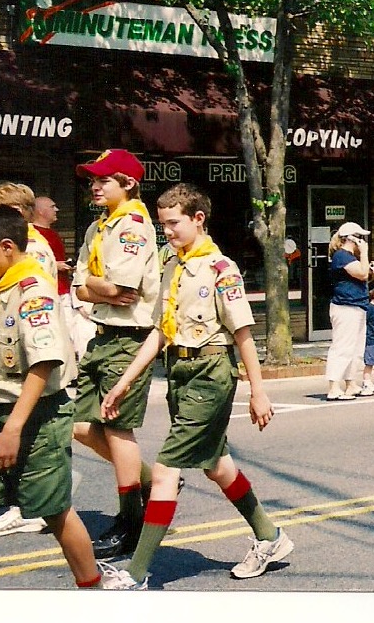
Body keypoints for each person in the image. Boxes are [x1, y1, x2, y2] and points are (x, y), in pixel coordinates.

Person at [96, 183, 291, 588]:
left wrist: (258, 390)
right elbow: (159, 331)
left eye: (173, 223)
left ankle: (136, 574)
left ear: (197, 219)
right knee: (217, 465)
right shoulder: (172, 264)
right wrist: (124, 383)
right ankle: (270, 537)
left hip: (211, 374)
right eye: (162, 223)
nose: (166, 231)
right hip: (180, 375)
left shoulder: (222, 269)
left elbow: (243, 335)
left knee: (166, 469)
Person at [0, 205, 121, 588]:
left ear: (7, 246)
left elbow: (43, 364)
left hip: (35, 417)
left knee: (54, 510)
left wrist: (13, 429)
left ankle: (92, 585)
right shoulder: (3, 290)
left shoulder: (33, 293)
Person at [71, 149, 162, 559]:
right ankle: (153, 481)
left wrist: (95, 288)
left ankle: (130, 520)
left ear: (128, 184)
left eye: (104, 179)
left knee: (117, 430)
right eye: (93, 178)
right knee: (77, 424)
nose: (95, 185)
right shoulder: (98, 227)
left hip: (128, 337)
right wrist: (96, 287)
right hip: (101, 335)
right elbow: (78, 287)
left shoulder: (133, 226)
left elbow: (124, 294)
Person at [0, 183, 62, 538]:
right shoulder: (4, 270)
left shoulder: (32, 261)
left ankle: (30, 508)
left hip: (29, 386)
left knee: (50, 490)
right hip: (3, 387)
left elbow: (41, 352)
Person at [326, 221, 371, 401]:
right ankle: (334, 386)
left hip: (357, 305)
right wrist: (365, 255)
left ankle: (350, 383)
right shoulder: (341, 256)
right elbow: (362, 273)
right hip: (345, 307)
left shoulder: (350, 258)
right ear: (351, 238)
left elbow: (364, 273)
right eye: (360, 238)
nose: (362, 242)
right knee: (342, 347)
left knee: (356, 348)